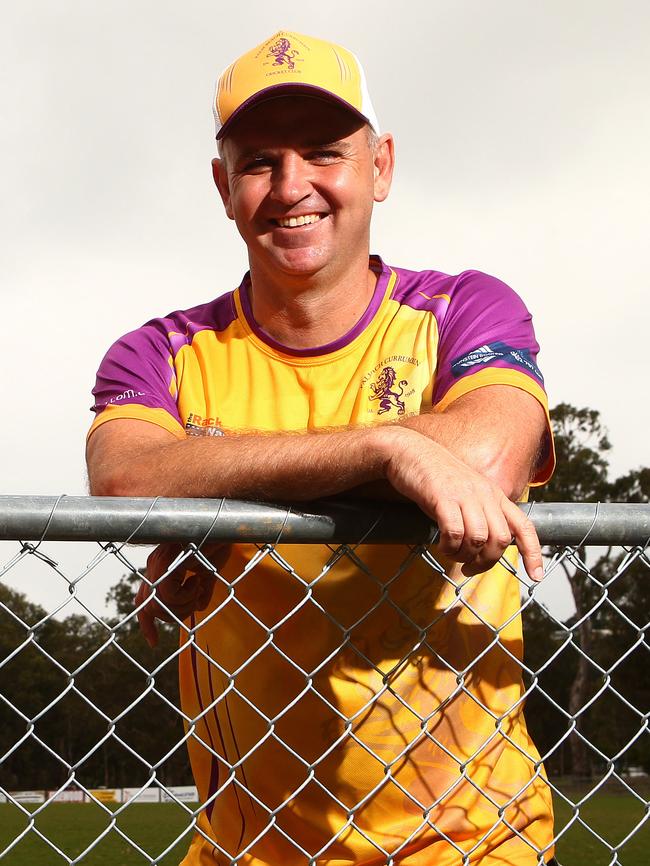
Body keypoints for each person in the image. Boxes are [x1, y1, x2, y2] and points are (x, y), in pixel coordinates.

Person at [86, 31, 558, 866]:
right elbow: (127, 480)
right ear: (222, 186)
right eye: (259, 161)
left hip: (474, 845)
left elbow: (486, 459)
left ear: (380, 166)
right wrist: (388, 450)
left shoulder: (462, 310)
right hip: (251, 851)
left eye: (324, 153)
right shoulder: (160, 352)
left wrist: (221, 482)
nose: (291, 186)